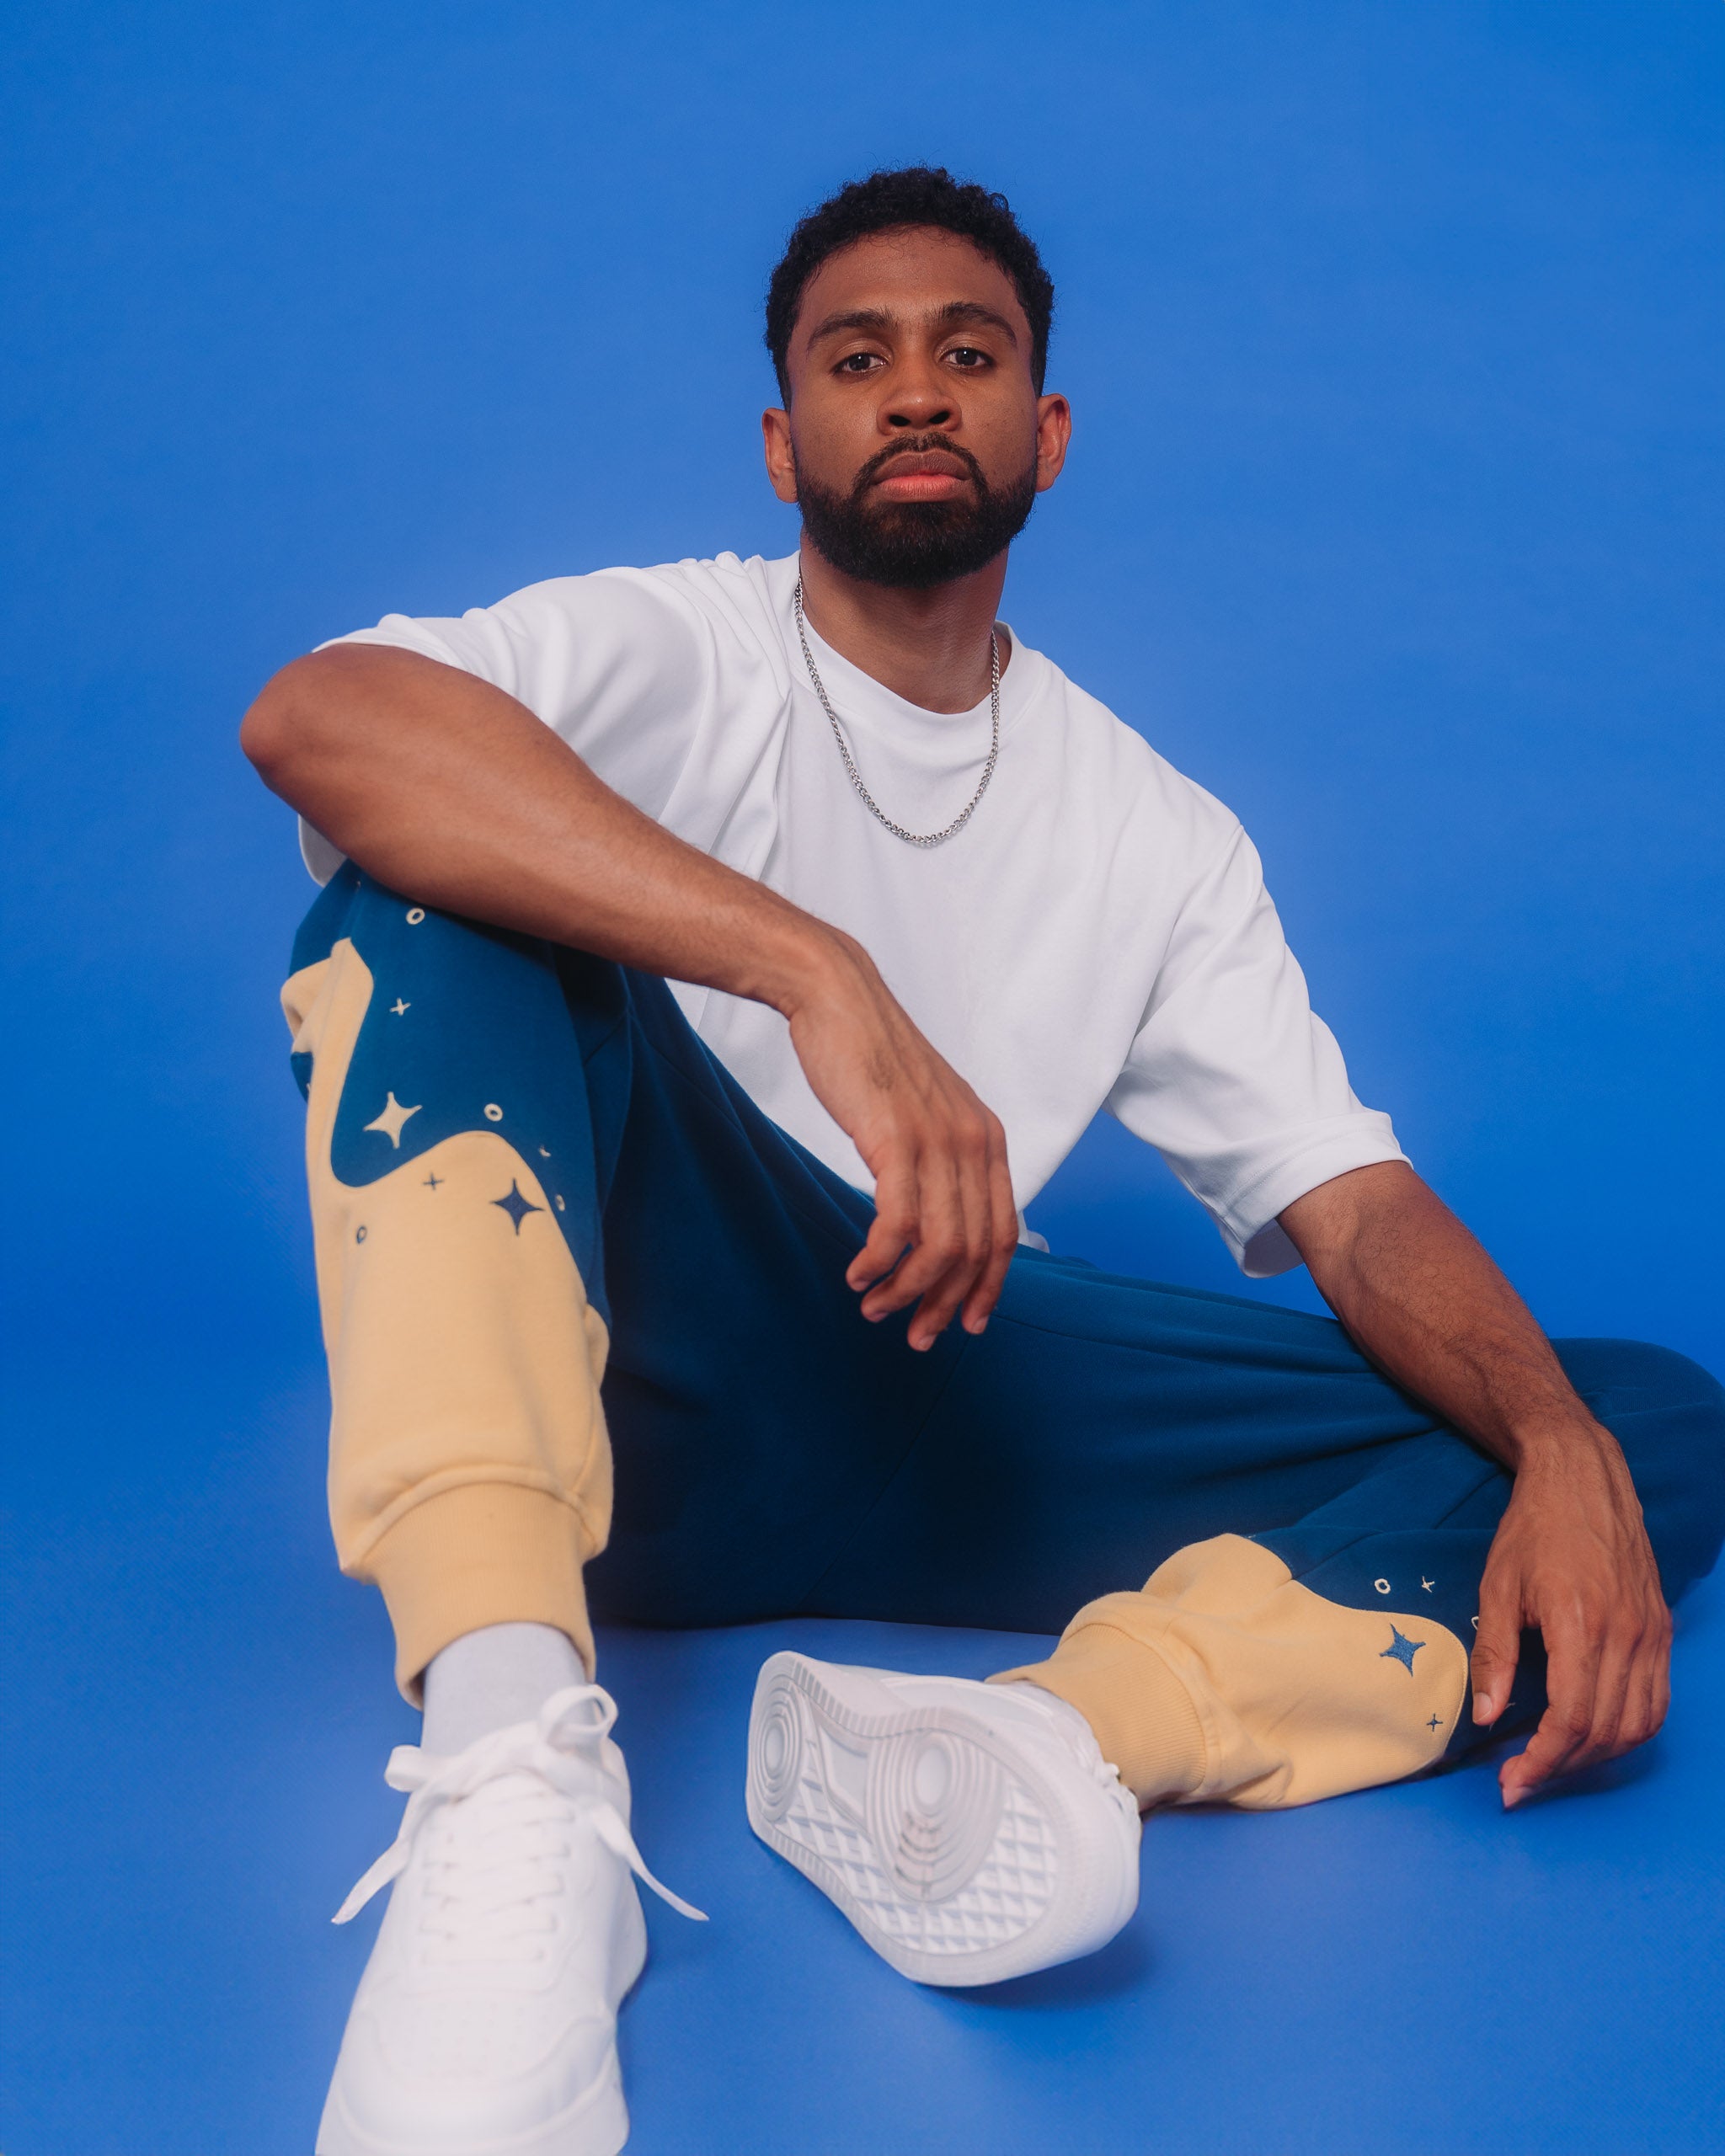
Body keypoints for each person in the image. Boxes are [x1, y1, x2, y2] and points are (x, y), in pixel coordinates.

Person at [242, 166, 1724, 2156]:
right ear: (787, 441)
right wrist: (809, 966)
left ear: (1047, 429)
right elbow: (322, 715)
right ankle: (513, 1774)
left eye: (971, 353)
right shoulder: (688, 648)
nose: (916, 392)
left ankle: (1033, 1740)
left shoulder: (1156, 826)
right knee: (414, 906)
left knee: (1634, 1413)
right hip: (631, 1370)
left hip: (951, 1391)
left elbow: (1352, 1206)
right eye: (858, 359)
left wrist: (1548, 1442)